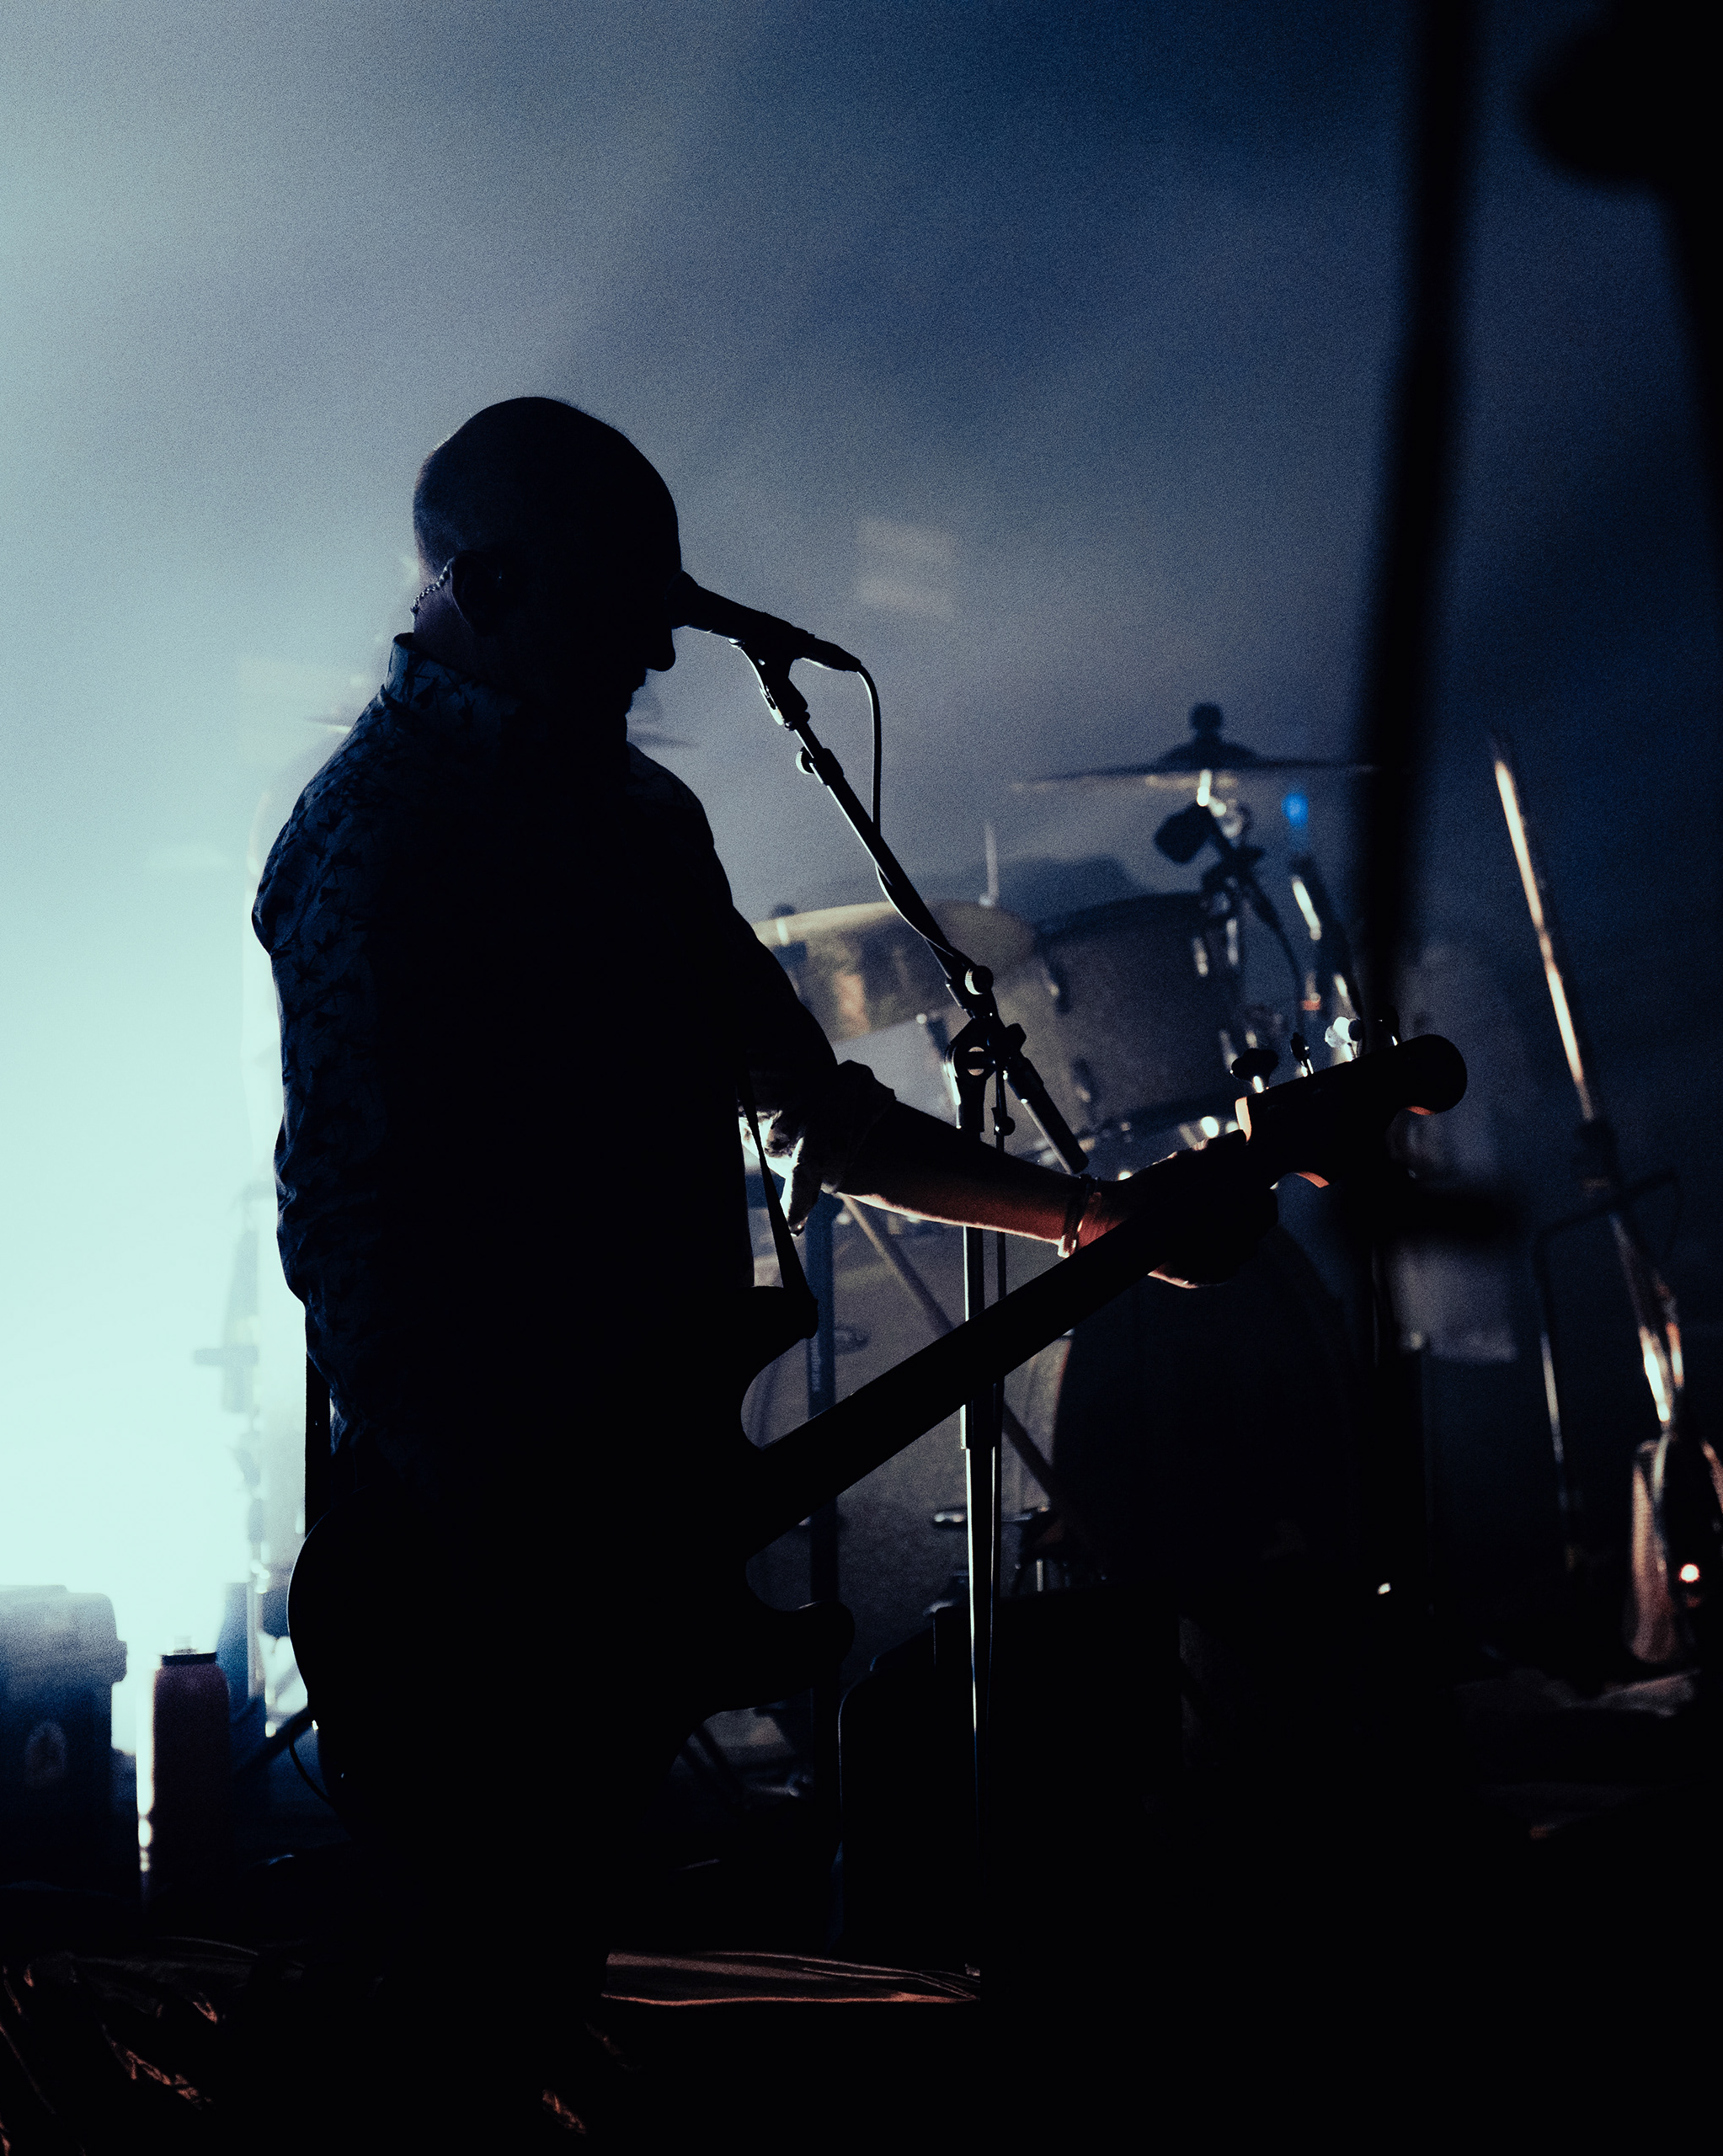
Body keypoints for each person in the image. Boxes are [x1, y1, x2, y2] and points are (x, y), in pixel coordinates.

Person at [251, 399, 1257, 2079]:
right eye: (622, 603)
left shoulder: (639, 822)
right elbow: (351, 1225)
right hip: (480, 1561)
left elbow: (822, 1117)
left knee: (550, 1996)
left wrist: (1092, 1220)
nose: (661, 646)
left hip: (631, 1513)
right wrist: (499, 1530)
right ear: (486, 587)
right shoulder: (380, 830)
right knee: (471, 2012)